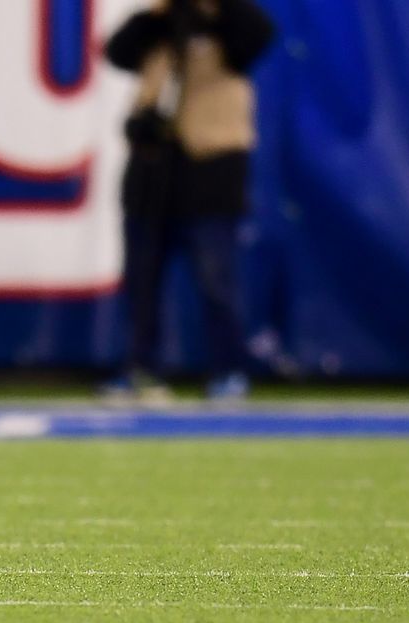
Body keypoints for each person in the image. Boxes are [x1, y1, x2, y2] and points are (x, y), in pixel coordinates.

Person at [103, 0, 275, 403]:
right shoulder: (155, 25)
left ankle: (229, 370)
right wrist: (161, 16)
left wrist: (211, 13)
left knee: (217, 280)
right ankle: (141, 367)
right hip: (153, 168)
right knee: (142, 280)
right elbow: (118, 52)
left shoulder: (230, 21)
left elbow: (254, 39)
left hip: (211, 167)